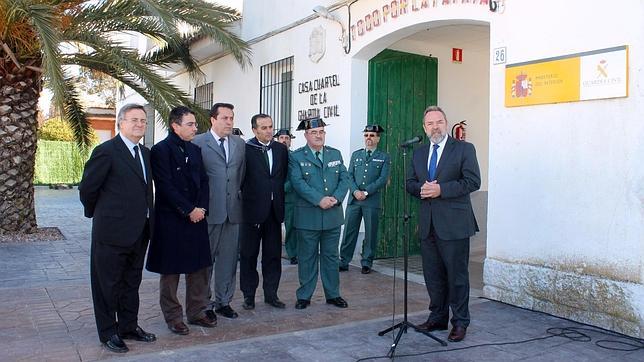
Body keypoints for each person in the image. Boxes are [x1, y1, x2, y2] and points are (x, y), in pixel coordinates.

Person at [79, 103, 156, 353]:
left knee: (131, 282)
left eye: (143, 121)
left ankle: (128, 326)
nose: (139, 125)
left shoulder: (145, 153)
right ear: (120, 123)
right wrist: (99, 215)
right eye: (133, 120)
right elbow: (88, 189)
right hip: (111, 232)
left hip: (139, 231)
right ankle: (108, 332)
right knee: (106, 285)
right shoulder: (106, 151)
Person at [405, 106, 481, 343]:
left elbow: (472, 181)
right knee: (433, 275)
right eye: (430, 123)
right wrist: (422, 189)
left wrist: (441, 190)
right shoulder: (418, 153)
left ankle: (459, 322)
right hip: (428, 225)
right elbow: (409, 183)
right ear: (424, 127)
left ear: (446, 124)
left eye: (439, 122)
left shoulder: (464, 149)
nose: (435, 127)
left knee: (457, 277)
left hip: (455, 224)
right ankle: (437, 317)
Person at [145, 106, 216, 335]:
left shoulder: (194, 150)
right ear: (175, 126)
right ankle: (173, 317)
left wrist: (201, 208)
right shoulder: (160, 150)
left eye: (195, 124)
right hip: (172, 219)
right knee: (171, 271)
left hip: (197, 218)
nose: (195, 128)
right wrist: (188, 210)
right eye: (190, 124)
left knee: (199, 268)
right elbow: (165, 186)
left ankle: (196, 312)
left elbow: (204, 182)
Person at [288, 117, 349, 309]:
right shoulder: (296, 157)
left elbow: (345, 178)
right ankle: (304, 296)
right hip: (308, 217)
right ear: (306, 135)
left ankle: (333, 294)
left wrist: (337, 198)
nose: (318, 135)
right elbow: (298, 183)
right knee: (307, 258)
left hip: (332, 215)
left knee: (331, 257)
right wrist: (319, 199)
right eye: (314, 132)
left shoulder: (335, 154)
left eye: (321, 131)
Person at [193, 103, 245, 319]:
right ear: (213, 120)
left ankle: (224, 301)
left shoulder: (239, 144)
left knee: (228, 260)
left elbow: (240, 176)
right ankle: (203, 303)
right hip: (208, 212)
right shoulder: (198, 143)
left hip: (232, 212)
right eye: (225, 118)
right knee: (205, 261)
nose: (229, 122)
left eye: (231, 118)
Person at [239, 114, 289, 310]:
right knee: (249, 256)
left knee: (273, 255)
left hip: (274, 212)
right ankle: (249, 296)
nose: (269, 131)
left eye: (270, 127)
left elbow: (282, 176)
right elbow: (241, 179)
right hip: (252, 212)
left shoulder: (280, 149)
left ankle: (271, 294)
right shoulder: (246, 149)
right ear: (254, 130)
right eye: (264, 127)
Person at [339, 124, 390, 274]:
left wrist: (366, 192)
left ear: (378, 138)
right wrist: (355, 191)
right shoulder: (356, 155)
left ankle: (367, 262)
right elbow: (349, 175)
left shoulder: (384, 157)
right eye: (366, 135)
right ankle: (344, 260)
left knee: (370, 232)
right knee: (349, 230)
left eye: (372, 135)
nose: (369, 138)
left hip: (371, 201)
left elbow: (382, 179)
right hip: (354, 200)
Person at [274, 128, 298, 265]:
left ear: (290, 141)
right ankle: (274, 252)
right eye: (281, 138)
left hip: (288, 197)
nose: (284, 140)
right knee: (272, 227)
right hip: (272, 197)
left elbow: (295, 177)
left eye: (286, 138)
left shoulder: (294, 157)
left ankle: (292, 253)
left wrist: (281, 190)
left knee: (290, 227)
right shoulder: (271, 154)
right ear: (277, 139)